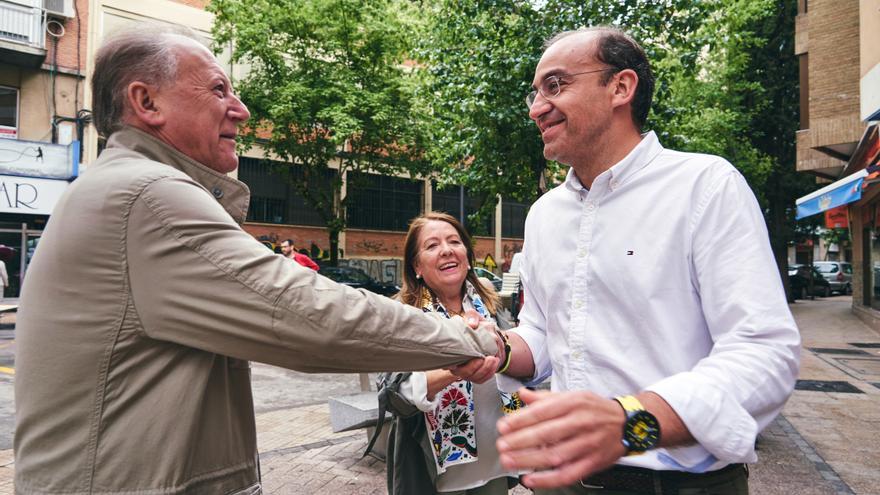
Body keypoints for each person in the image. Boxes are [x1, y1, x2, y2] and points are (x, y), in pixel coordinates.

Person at [13, 25, 500, 495]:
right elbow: (306, 314)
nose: (240, 111)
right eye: (219, 89)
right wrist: (462, 342)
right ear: (147, 102)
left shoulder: (126, 188)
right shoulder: (148, 196)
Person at [489, 27, 801, 494]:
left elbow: (764, 354)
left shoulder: (705, 185)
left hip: (681, 485)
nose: (536, 108)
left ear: (621, 87)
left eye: (555, 85)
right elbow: (543, 332)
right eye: (534, 93)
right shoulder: (543, 215)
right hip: (566, 482)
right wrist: (499, 350)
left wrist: (629, 422)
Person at [382, 212, 522, 495]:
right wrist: (454, 369)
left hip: (495, 464)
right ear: (417, 266)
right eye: (432, 246)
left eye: (454, 241)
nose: (446, 250)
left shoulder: (491, 308)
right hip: (438, 475)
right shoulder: (405, 317)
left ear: (467, 257)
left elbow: (516, 366)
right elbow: (393, 396)